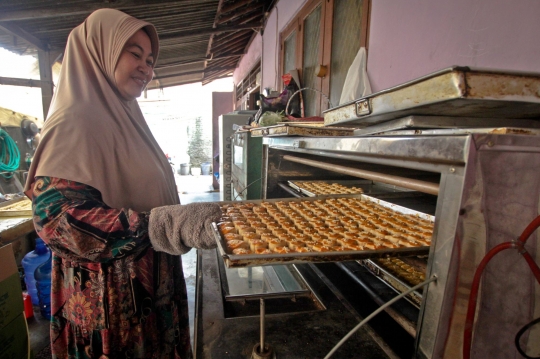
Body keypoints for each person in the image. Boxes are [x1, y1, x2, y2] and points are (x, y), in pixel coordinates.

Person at [24, 8, 221, 359]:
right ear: (99, 52)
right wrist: (161, 224)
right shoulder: (73, 122)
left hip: (151, 285)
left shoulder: (128, 119)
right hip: (110, 300)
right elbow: (57, 220)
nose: (147, 67)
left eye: (149, 58)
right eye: (134, 53)